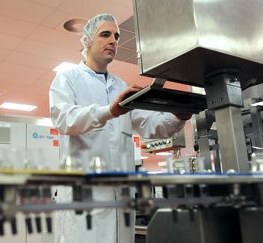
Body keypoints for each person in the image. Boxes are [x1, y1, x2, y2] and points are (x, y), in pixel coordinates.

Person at [49, 13, 191, 243]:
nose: (113, 40)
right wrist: (110, 111)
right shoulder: (67, 79)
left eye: (116, 35)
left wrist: (178, 116)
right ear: (86, 40)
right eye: (105, 34)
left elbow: (152, 126)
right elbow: (64, 119)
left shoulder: (120, 86)